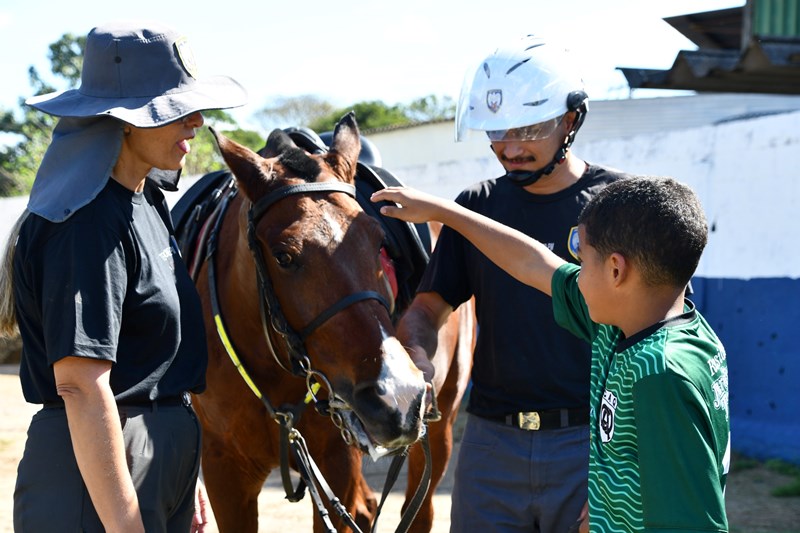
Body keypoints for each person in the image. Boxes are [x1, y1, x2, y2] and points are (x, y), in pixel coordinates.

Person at [372, 176, 730, 532]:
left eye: (583, 263)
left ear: (616, 270)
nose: (576, 274)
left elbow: (692, 522)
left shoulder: (658, 374)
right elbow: (533, 263)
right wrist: (445, 212)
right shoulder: (630, 325)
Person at [0, 21, 247, 532]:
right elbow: (80, 385)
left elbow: (155, 366)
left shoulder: (146, 201)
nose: (197, 121)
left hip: (148, 460)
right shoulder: (86, 222)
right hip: (95, 475)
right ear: (127, 119)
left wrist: (183, 470)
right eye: (176, 109)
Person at [393, 35, 631, 531]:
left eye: (529, 128)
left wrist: (620, 469)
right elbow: (428, 309)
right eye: (498, 129)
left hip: (591, 442)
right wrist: (416, 354)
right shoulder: (478, 205)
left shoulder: (620, 204)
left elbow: (652, 338)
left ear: (571, 119)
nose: (511, 146)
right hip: (489, 446)